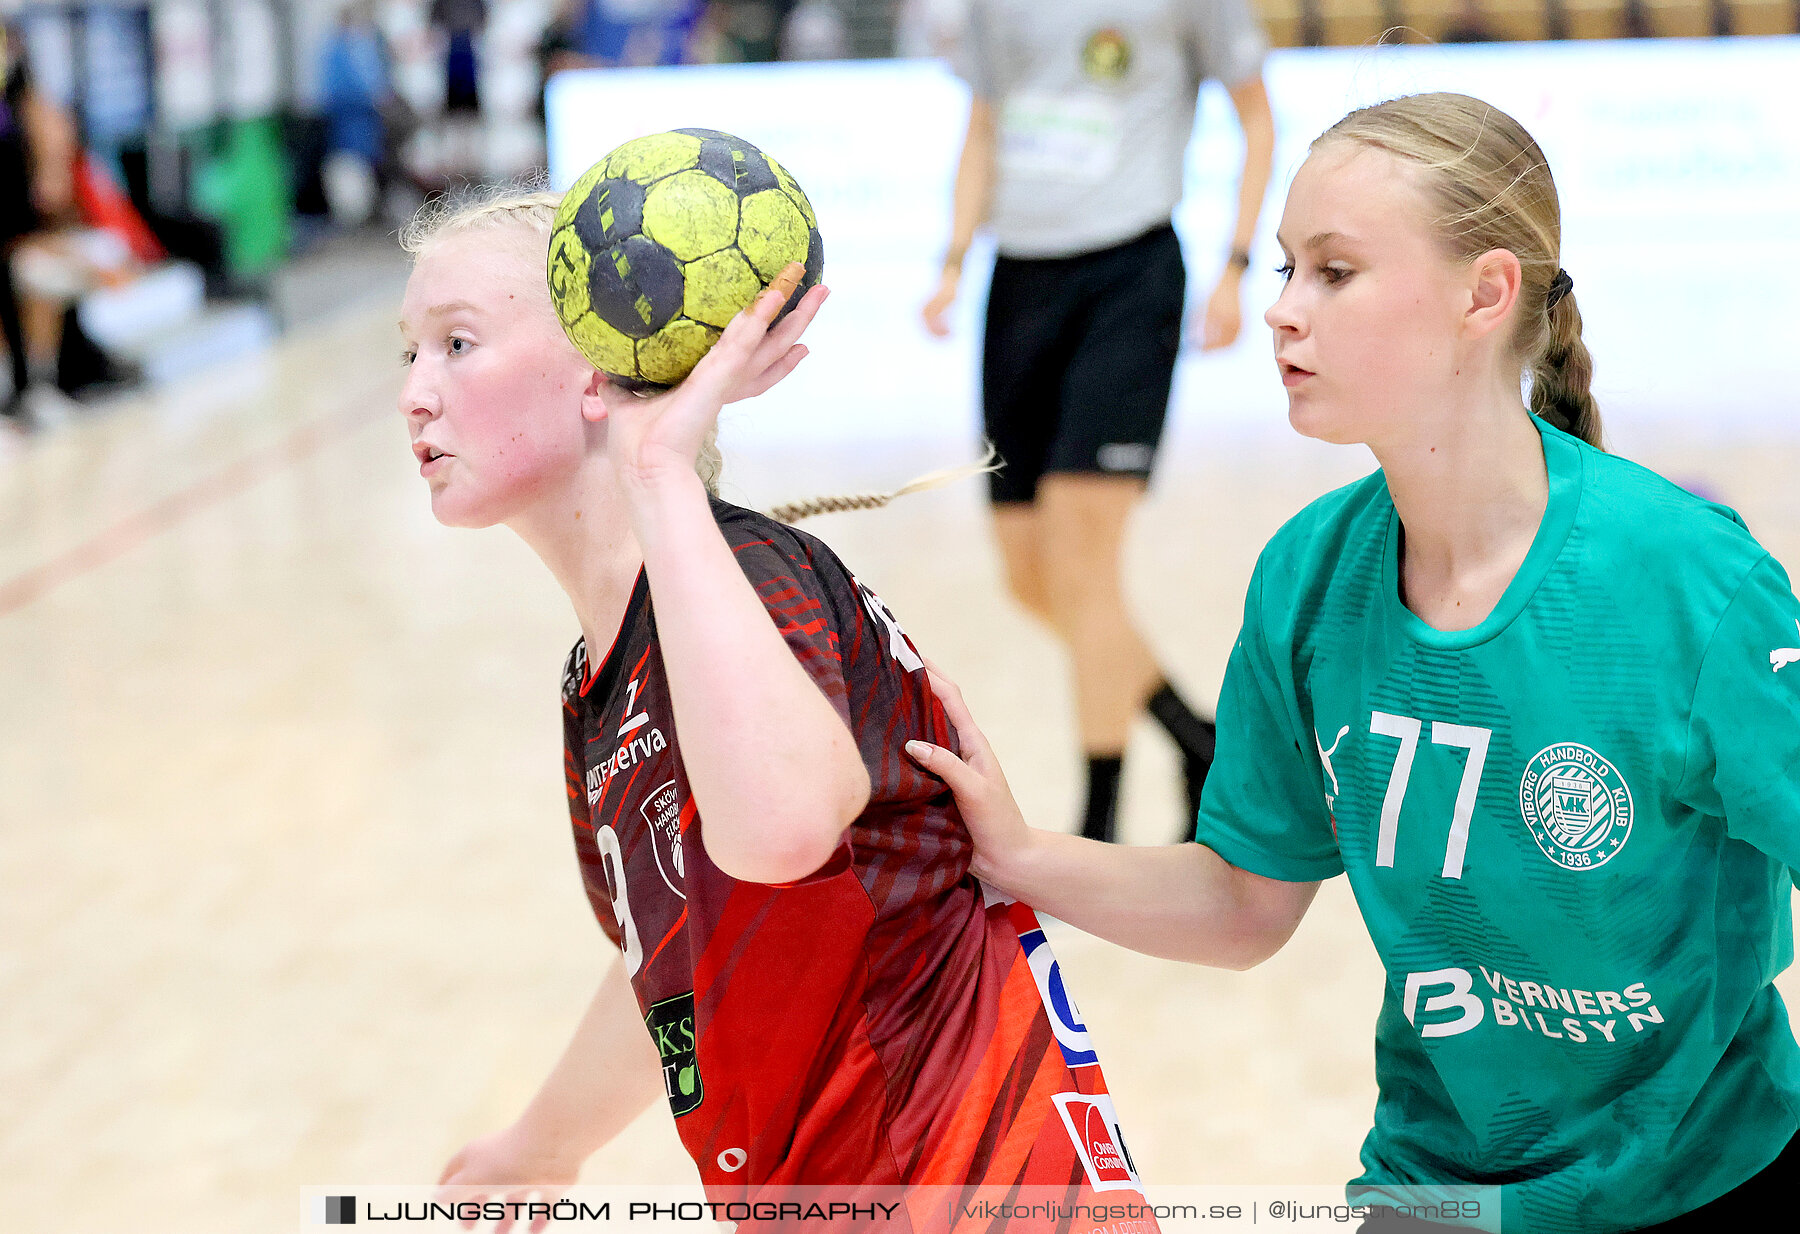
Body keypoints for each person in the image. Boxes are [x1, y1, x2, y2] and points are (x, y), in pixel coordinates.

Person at [904, 93, 1800, 1231]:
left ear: (1485, 294)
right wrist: (1021, 856)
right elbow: (1241, 901)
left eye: (1334, 272)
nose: (1282, 313)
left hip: (1702, 1177)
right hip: (1434, 1190)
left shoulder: (1687, 582)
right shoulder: (1308, 577)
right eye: (1284, 268)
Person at [396, 187, 1155, 1211]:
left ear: (598, 363)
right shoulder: (604, 671)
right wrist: (541, 1144)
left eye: (457, 343)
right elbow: (683, 964)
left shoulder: (745, 579)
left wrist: (656, 463)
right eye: (409, 353)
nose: (415, 392)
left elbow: (787, 825)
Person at [922, 0, 1276, 844]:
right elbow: (984, 124)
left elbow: (1258, 118)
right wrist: (953, 259)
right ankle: (1198, 737)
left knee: (1084, 565)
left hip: (1130, 274)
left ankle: (1098, 818)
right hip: (1018, 286)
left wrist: (1235, 266)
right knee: (1029, 575)